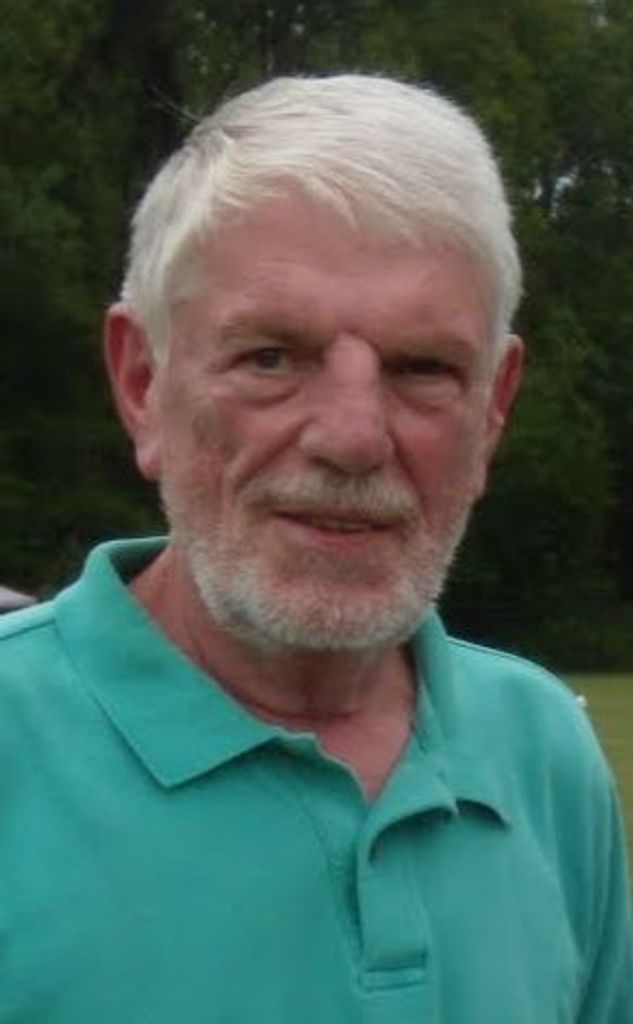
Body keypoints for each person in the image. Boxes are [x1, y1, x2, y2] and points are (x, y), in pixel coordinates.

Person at [0, 74, 631, 1023]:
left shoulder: (541, 752)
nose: (352, 437)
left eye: (422, 368)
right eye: (271, 357)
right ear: (142, 383)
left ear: (492, 409)